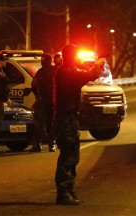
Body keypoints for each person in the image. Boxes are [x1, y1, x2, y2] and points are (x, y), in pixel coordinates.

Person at [53, 44, 105, 205]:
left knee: (73, 156)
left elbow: (83, 73)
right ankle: (63, 193)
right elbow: (89, 75)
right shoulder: (66, 72)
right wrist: (98, 65)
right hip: (65, 119)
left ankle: (69, 190)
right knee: (68, 157)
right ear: (71, 56)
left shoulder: (67, 70)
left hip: (70, 119)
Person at [30, 53, 56, 152]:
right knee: (41, 123)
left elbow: (34, 85)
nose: (42, 62)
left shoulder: (51, 71)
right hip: (44, 101)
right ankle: (41, 144)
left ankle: (49, 143)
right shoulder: (41, 72)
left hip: (49, 101)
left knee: (47, 123)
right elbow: (34, 85)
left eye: (43, 60)